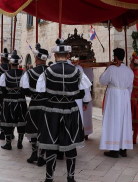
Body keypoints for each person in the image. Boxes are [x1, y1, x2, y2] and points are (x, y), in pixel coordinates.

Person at [36, 39, 91, 182]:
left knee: (51, 145)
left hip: (51, 111)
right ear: (68, 55)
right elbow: (85, 93)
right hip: (71, 111)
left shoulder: (47, 72)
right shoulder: (77, 72)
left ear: (55, 56)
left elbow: (40, 93)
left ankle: (49, 178)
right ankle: (70, 178)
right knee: (71, 144)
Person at [99, 48, 134, 158]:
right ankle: (123, 148)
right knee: (124, 121)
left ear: (116, 57)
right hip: (125, 96)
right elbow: (130, 88)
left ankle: (113, 149)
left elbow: (102, 81)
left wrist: (107, 68)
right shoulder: (129, 70)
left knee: (113, 120)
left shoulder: (112, 69)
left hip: (114, 96)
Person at [21, 43, 50, 166]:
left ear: (37, 59)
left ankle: (34, 153)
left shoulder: (29, 73)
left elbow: (24, 90)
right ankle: (41, 155)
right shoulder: (51, 72)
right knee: (44, 129)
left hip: (34, 103)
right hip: (48, 105)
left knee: (33, 128)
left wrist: (32, 94)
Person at [0, 51, 27, 150]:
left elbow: (2, 89)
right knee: (21, 121)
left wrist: (7, 96)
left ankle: (8, 143)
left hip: (9, 100)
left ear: (10, 63)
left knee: (8, 121)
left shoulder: (5, 75)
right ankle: (20, 143)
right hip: (20, 100)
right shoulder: (24, 74)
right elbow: (25, 88)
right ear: (18, 63)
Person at [82, 58, 94, 140]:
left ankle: (83, 132)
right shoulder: (89, 67)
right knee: (87, 114)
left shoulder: (78, 67)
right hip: (86, 91)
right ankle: (86, 133)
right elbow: (92, 78)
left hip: (81, 92)